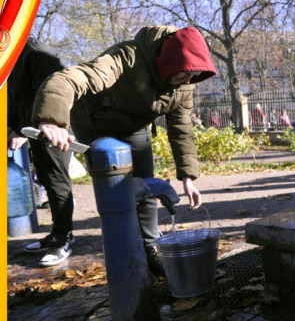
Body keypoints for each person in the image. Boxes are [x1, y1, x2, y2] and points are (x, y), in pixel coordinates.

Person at [31, 25, 217, 277]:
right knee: (115, 188)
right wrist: (52, 119)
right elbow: (68, 79)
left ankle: (150, 246)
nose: (187, 80)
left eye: (192, 76)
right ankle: (122, 254)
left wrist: (188, 177)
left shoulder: (187, 81)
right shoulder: (125, 59)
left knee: (147, 186)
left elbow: (181, 129)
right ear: (169, 61)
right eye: (183, 73)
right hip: (96, 122)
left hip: (134, 126)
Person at [7, 38, 76, 267]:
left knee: (57, 180)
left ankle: (64, 238)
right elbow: (16, 98)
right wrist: (12, 129)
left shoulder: (37, 53)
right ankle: (57, 232)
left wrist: (22, 130)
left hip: (55, 127)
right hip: (35, 129)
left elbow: (52, 93)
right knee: (46, 178)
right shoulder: (12, 54)